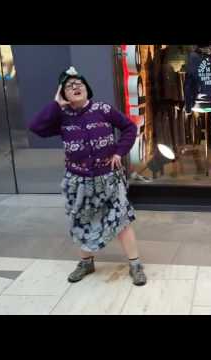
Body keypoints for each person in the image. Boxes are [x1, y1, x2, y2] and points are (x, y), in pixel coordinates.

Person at [29, 66, 146, 286]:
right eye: (69, 86)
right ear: (63, 93)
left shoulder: (103, 109)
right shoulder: (61, 116)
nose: (75, 88)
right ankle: (86, 263)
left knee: (122, 220)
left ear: (87, 89)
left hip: (109, 178)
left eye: (79, 84)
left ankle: (136, 264)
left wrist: (119, 152)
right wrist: (56, 104)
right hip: (78, 180)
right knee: (81, 221)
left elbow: (129, 127)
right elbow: (36, 127)